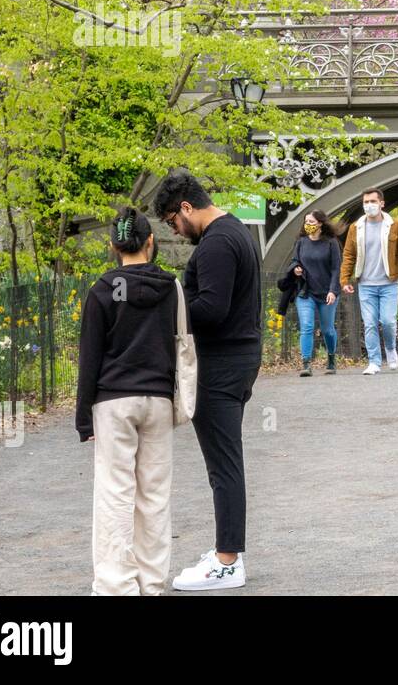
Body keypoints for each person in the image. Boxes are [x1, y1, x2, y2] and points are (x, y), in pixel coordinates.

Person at [153, 170, 261, 591]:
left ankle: (228, 561)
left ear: (185, 207)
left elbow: (212, 310)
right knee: (225, 462)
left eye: (171, 221)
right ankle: (227, 552)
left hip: (220, 365)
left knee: (224, 465)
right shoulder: (238, 233)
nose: (174, 231)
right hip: (239, 357)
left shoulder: (216, 243)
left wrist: (169, 310)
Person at [77, 208, 177, 595]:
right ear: (150, 242)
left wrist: (84, 417)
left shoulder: (102, 290)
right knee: (153, 495)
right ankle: (152, 582)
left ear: (113, 246)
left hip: (114, 401)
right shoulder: (171, 288)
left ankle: (116, 585)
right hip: (158, 399)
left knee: (115, 493)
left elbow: (90, 357)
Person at [340, 188, 398, 375]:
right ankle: (374, 361)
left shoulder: (395, 225)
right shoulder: (355, 228)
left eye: (373, 201)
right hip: (366, 284)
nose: (369, 205)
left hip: (389, 283)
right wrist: (344, 279)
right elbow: (349, 255)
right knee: (370, 323)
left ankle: (390, 348)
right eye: (366, 202)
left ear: (382, 203)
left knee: (388, 322)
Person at [287, 210, 343, 376]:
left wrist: (333, 290)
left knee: (327, 329)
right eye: (306, 222)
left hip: (327, 293)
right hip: (305, 292)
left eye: (311, 222)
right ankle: (306, 364)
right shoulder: (301, 242)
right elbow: (294, 261)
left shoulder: (331, 243)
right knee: (307, 327)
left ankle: (331, 359)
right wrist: (296, 269)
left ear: (320, 223)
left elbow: (336, 269)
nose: (308, 225)